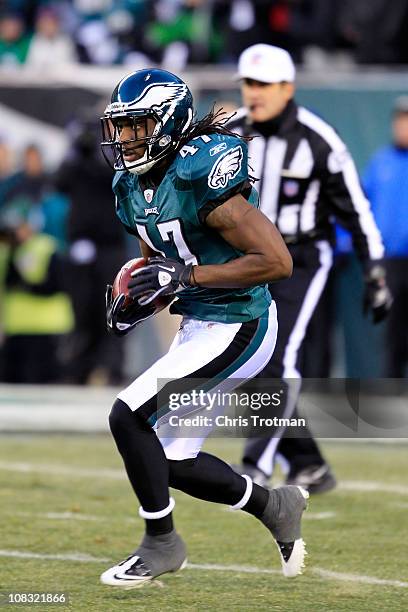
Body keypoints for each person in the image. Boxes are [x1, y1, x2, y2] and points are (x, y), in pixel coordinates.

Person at [99, 67, 309, 588]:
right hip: (200, 321)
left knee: (129, 417)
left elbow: (276, 260)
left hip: (241, 322)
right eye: (120, 128)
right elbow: (160, 263)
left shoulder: (201, 170)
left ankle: (162, 543)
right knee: (171, 460)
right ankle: (275, 506)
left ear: (167, 124)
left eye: (138, 126)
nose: (125, 139)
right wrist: (142, 295)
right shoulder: (129, 185)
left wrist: (186, 275)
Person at [228, 44, 392, 492]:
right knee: (242, 359)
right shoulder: (233, 135)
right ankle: (308, 463)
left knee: (278, 357)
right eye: (248, 83)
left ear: (287, 88)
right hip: (247, 262)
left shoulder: (319, 138)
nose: (254, 93)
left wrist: (374, 274)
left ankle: (256, 464)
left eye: (263, 84)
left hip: (300, 259)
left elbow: (356, 212)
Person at [363, 95, 408, 378]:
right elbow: (359, 205)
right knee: (391, 332)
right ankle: (389, 394)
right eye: (400, 120)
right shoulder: (381, 163)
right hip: (389, 261)